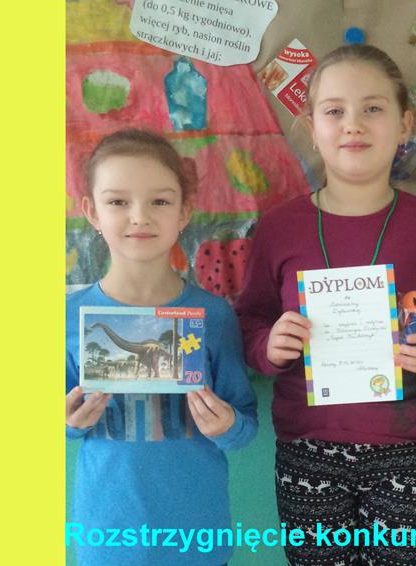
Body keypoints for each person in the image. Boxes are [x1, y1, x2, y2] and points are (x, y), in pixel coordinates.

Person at [235, 44, 416, 565]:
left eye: (373, 108)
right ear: (312, 127)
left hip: (408, 449)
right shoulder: (279, 229)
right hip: (308, 448)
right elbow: (249, 320)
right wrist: (269, 346)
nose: (353, 124)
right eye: (334, 110)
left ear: (404, 125)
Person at [65, 129, 258, 566]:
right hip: (108, 539)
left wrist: (226, 425)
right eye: (118, 201)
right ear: (91, 212)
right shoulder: (68, 317)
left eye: (159, 201)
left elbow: (245, 423)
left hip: (198, 537)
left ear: (184, 211)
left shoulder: (214, 316)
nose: (140, 217)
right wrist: (70, 422)